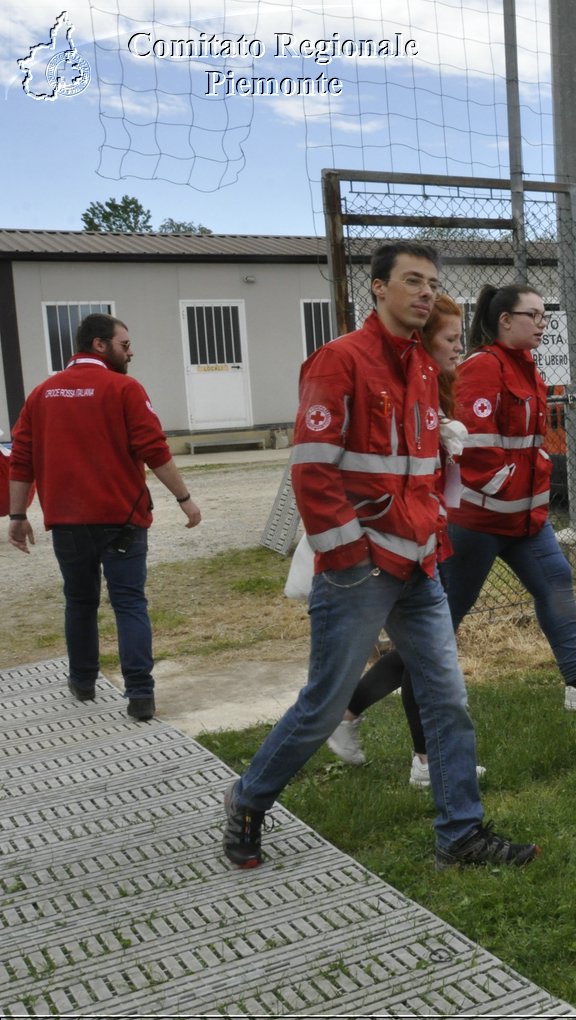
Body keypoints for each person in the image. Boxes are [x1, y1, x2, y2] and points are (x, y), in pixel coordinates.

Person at [224, 242, 536, 869]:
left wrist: (434, 529)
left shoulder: (421, 367)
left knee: (447, 699)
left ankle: (460, 835)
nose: (425, 293)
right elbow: (312, 472)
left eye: (432, 283)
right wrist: (347, 557)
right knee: (323, 705)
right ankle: (248, 800)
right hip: (360, 568)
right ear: (377, 288)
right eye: (412, 282)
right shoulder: (339, 361)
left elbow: (413, 471)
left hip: (419, 560)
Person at [444, 284, 576, 710]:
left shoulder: (526, 365)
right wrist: (506, 486)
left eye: (545, 316)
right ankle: (352, 706)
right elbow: (470, 445)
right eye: (534, 316)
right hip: (479, 523)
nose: (542, 324)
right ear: (505, 321)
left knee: (556, 583)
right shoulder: (483, 366)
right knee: (441, 620)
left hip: (525, 520)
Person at [324, 294, 487, 786]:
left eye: (462, 338)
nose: (460, 349)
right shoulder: (395, 385)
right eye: (451, 339)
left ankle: (357, 717)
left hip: (424, 538)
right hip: (390, 545)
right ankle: (415, 755)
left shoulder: (435, 384)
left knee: (429, 651)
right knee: (427, 654)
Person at [8, 313, 202, 721]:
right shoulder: (125, 389)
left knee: (79, 602)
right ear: (100, 345)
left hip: (67, 522)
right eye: (125, 345)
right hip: (123, 519)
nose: (131, 352)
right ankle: (140, 695)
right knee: (129, 602)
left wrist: (18, 514)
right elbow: (155, 448)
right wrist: (184, 498)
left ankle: (82, 681)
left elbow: (21, 459)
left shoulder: (42, 394)